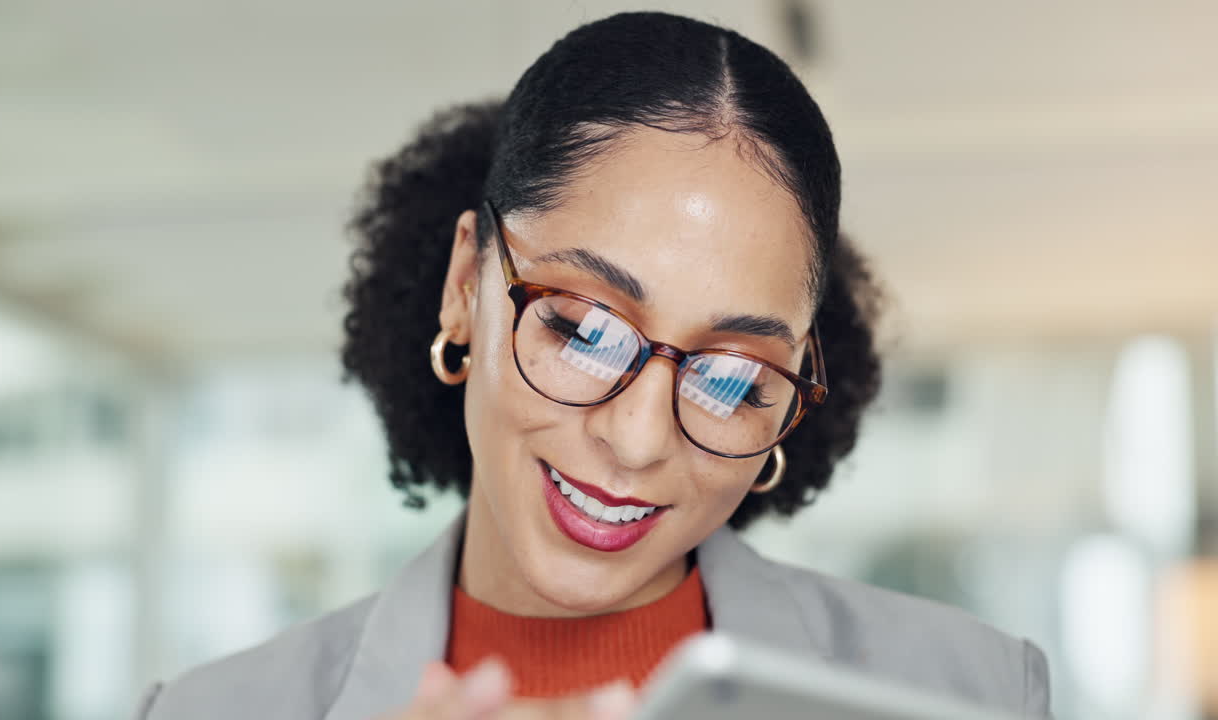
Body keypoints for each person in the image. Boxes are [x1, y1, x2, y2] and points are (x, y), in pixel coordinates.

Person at [133, 11, 1052, 720]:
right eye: (581, 330)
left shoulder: (972, 692)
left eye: (731, 379)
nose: (638, 437)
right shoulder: (215, 710)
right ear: (466, 285)